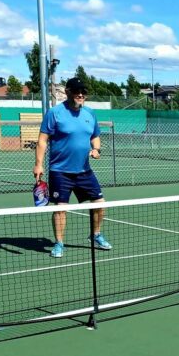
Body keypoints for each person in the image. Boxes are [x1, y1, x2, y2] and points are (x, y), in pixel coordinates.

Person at [33, 77, 112, 259]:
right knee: (60, 208)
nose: (81, 94)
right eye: (77, 91)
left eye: (83, 92)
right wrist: (38, 164)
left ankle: (96, 234)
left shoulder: (90, 113)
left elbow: (95, 136)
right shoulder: (55, 113)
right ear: (68, 92)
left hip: (84, 171)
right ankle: (59, 243)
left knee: (100, 204)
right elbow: (42, 140)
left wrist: (96, 149)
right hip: (60, 171)